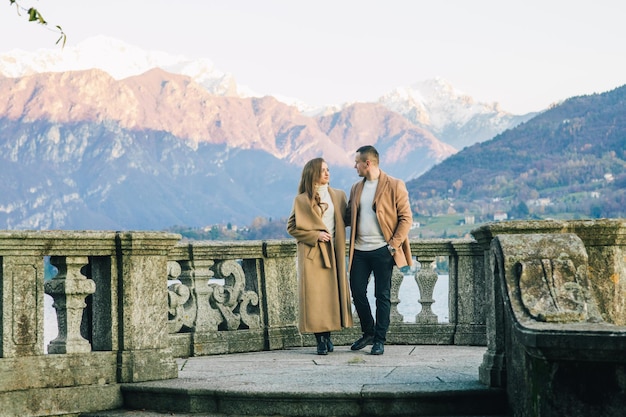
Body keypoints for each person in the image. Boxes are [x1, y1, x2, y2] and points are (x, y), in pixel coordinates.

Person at [345, 145, 413, 355]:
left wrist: (392, 245)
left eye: (357, 162)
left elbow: (406, 218)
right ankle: (368, 332)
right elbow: (348, 217)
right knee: (357, 292)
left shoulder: (394, 185)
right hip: (359, 251)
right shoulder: (356, 187)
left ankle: (379, 340)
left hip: (383, 250)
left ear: (368, 163)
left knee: (382, 296)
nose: (354, 166)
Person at [287, 157, 353, 355]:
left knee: (332, 297)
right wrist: (314, 235)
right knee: (316, 298)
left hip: (334, 252)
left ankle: (329, 336)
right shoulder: (301, 200)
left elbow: (349, 218)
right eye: (323, 170)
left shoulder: (339, 196)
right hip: (313, 255)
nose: (327, 173)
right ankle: (320, 341)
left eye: (328, 169)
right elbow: (291, 227)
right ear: (313, 173)